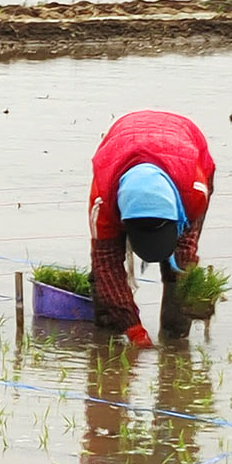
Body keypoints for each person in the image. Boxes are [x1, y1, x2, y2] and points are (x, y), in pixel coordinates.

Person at [89, 110, 215, 349]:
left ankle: (175, 339)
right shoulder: (103, 200)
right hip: (120, 147)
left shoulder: (195, 193)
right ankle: (108, 339)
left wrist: (193, 292)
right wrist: (133, 329)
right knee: (104, 273)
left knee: (180, 261)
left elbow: (186, 245)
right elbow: (106, 261)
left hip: (186, 151)